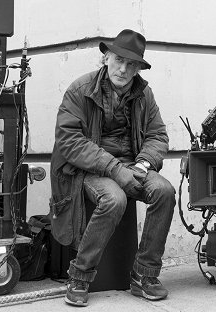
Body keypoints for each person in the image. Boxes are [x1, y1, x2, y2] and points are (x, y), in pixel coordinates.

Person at [50, 29, 175, 306]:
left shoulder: (144, 94)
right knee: (114, 199)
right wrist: (115, 169)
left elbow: (158, 135)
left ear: (138, 68)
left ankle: (144, 275)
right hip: (91, 168)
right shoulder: (80, 90)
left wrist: (143, 164)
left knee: (164, 191)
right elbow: (70, 141)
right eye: (119, 60)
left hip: (132, 164)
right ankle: (79, 276)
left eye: (132, 64)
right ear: (106, 58)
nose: (123, 69)